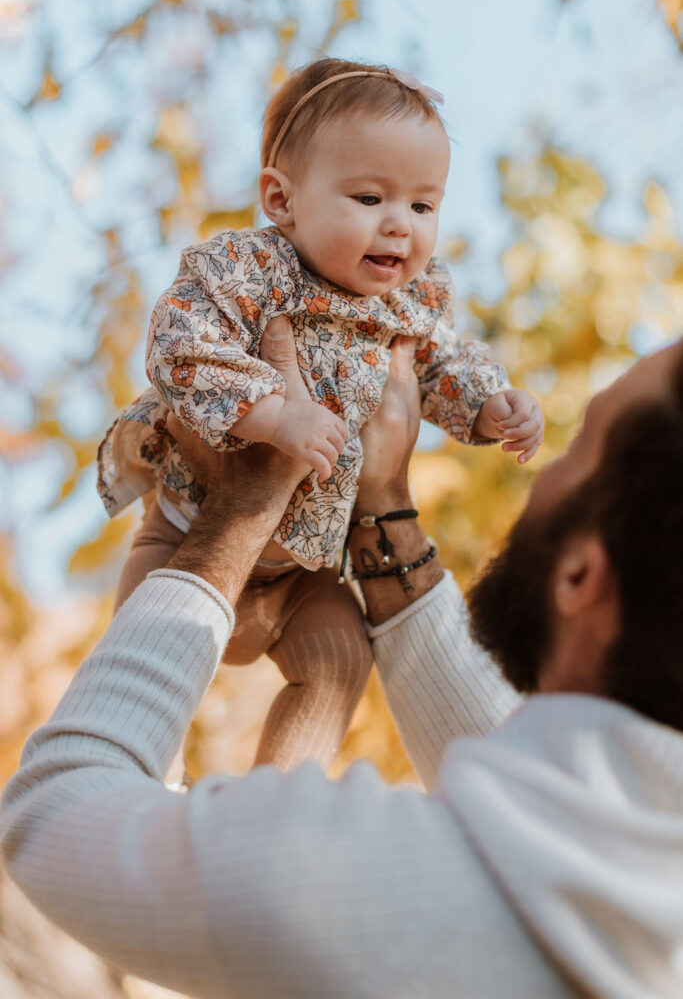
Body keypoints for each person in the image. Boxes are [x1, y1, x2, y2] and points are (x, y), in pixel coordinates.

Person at [3, 325, 682, 999]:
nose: (545, 477)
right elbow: (537, 803)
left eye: (576, 447)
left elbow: (55, 809)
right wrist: (379, 500)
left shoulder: (382, 888)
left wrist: (244, 506)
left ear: (580, 574)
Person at [96, 57, 543, 771]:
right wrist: (272, 415)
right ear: (281, 198)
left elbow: (439, 365)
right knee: (150, 663)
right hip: (184, 538)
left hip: (303, 571)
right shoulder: (246, 269)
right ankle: (155, 783)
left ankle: (272, 807)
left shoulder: (413, 300)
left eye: (423, 206)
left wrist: (490, 405)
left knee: (338, 664)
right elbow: (180, 346)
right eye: (369, 197)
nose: (400, 226)